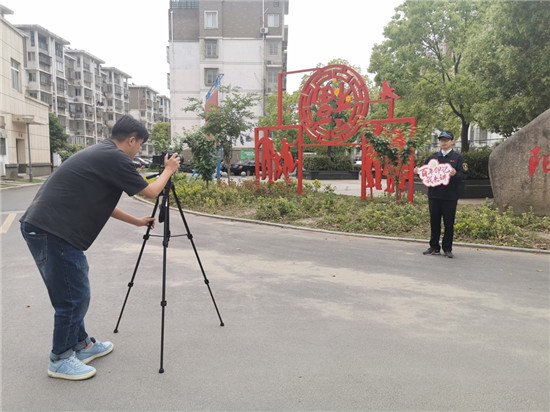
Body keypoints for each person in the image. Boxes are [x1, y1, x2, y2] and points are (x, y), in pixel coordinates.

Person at [20, 115, 181, 380]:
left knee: (74, 289)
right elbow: (152, 192)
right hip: (52, 231)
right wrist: (169, 170)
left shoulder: (103, 154)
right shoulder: (115, 158)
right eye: (139, 145)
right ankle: (59, 359)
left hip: (50, 229)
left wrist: (138, 221)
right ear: (131, 140)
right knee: (72, 296)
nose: (138, 150)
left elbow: (103, 205)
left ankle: (80, 345)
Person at [414, 131, 468, 258]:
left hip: (450, 197)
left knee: (449, 223)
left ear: (452, 142)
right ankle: (434, 247)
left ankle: (447, 248)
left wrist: (455, 175)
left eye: (446, 140)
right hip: (434, 195)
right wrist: (418, 172)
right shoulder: (433, 158)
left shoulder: (458, 158)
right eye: (441, 140)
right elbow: (426, 174)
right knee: (434, 222)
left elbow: (464, 175)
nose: (443, 142)